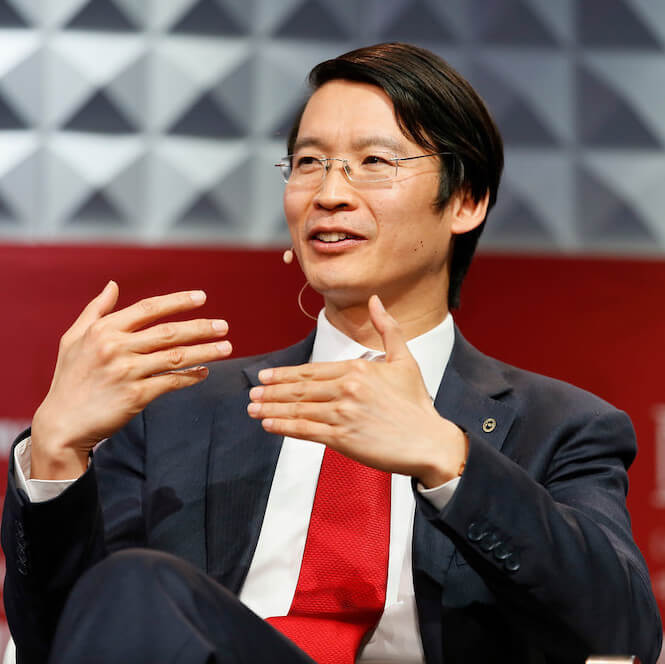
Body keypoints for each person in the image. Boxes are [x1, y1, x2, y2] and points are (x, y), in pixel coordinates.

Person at [1, 42, 661, 664]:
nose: (329, 193)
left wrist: (449, 459)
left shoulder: (560, 427)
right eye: (309, 162)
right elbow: (70, 637)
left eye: (374, 162)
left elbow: (624, 630)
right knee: (139, 583)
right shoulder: (174, 410)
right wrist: (56, 456)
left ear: (465, 200)